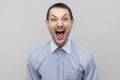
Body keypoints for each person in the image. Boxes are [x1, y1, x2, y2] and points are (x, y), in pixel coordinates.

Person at [27, 2, 98, 80]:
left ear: (72, 23)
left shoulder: (86, 57)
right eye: (54, 19)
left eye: (65, 19)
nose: (60, 24)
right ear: (47, 24)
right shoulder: (35, 57)